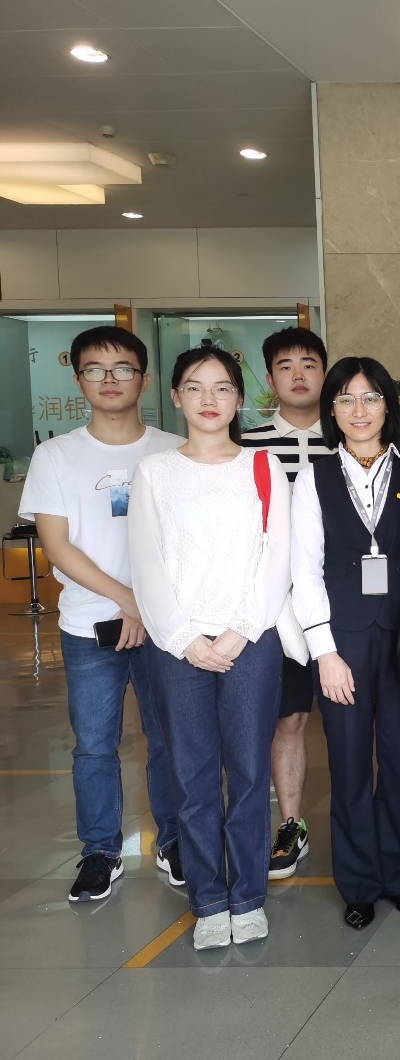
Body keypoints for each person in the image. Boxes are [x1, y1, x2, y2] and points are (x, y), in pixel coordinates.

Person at [129, 345, 293, 950]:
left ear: (239, 398)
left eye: (222, 387)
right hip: (177, 649)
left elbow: (278, 557)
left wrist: (239, 630)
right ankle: (208, 900)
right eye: (195, 388)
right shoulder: (154, 472)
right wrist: (184, 639)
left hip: (250, 640)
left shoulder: (263, 467)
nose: (209, 399)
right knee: (192, 774)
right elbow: (145, 562)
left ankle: (247, 897)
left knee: (249, 773)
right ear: (175, 397)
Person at [19, 326, 185, 902]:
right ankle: (100, 851)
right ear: (78, 380)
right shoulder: (55, 455)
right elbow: (57, 546)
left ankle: (175, 841)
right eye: (95, 369)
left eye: (122, 369)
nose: (109, 380)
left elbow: (187, 542)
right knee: (94, 744)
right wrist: (126, 598)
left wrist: (146, 604)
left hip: (166, 625)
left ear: (144, 378)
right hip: (88, 624)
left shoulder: (173, 450)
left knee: (169, 738)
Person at [290, 356, 400, 931]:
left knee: (399, 761)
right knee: (348, 765)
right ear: (332, 410)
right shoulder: (314, 477)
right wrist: (323, 651)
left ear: (388, 406)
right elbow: (303, 568)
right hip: (341, 640)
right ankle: (359, 885)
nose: (360, 410)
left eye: (371, 398)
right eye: (346, 399)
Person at [241, 327, 332, 880]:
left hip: (340, 606)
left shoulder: (349, 435)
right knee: (289, 720)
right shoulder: (247, 444)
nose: (298, 375)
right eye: (284, 366)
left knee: (354, 722)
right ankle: (291, 825)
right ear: (270, 378)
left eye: (309, 364)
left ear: (325, 372)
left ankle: (358, 822)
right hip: (274, 609)